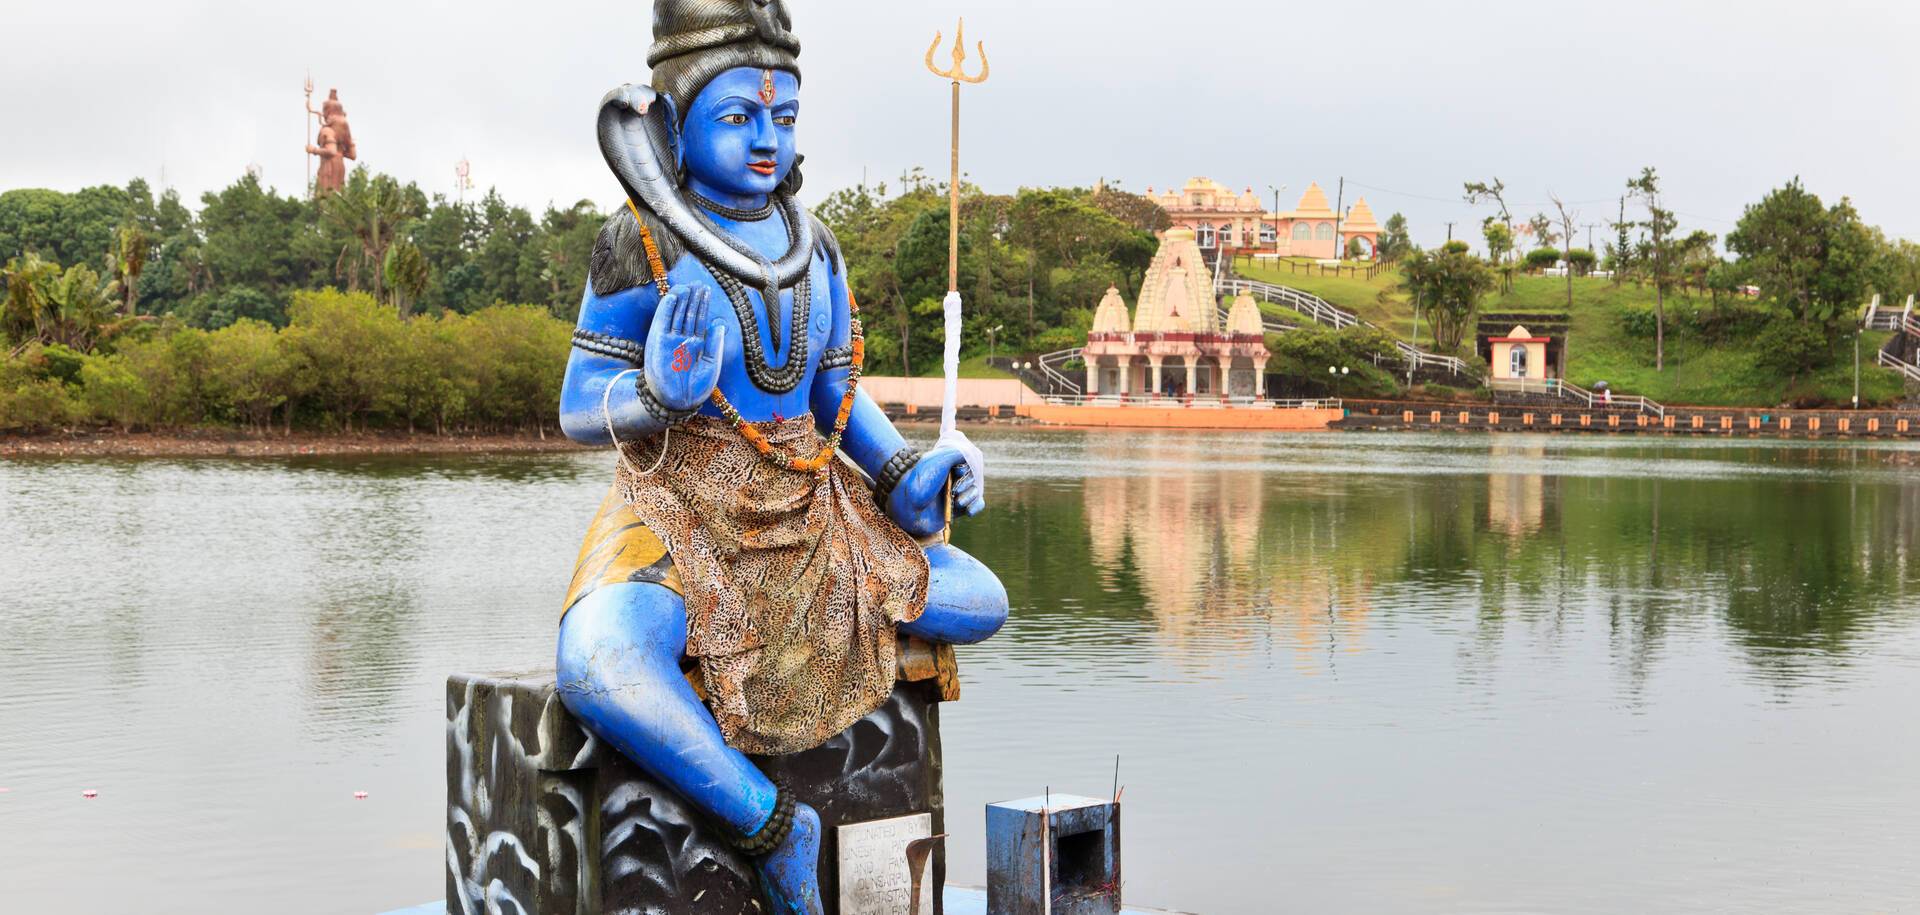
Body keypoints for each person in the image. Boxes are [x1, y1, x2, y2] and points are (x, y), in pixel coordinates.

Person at [550, 3, 1008, 912]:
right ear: (675, 127)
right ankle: (768, 822)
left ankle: (842, 639)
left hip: (812, 501)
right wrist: (657, 398)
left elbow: (832, 396)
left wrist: (904, 473)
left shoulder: (815, 246)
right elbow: (574, 407)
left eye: (783, 117)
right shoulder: (642, 241)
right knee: (599, 658)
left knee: (983, 599)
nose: (767, 139)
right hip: (679, 502)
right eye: (738, 116)